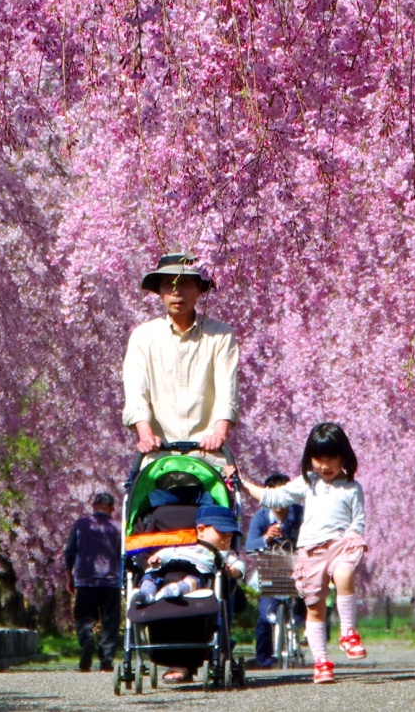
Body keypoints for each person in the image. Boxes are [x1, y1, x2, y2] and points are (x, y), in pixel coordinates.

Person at [229, 423, 368, 685]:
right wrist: (243, 483)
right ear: (310, 459)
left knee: (344, 572)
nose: (325, 465)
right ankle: (321, 662)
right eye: (319, 459)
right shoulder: (308, 483)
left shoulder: (352, 488)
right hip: (311, 552)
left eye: (331, 458)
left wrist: (351, 541)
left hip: (340, 545)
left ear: (344, 457)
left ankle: (348, 632)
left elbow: (357, 522)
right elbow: (275, 497)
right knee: (314, 609)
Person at [122, 253, 239, 459]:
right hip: (160, 456)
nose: (176, 291)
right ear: (160, 292)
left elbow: (226, 391)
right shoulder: (144, 337)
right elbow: (136, 392)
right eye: (169, 284)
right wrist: (145, 433)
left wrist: (218, 433)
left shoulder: (220, 335)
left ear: (198, 289)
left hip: (206, 455)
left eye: (184, 283)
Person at [133, 505, 246, 684]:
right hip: (167, 573)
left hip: (196, 578)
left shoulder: (223, 554)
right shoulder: (186, 546)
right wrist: (158, 558)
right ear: (200, 531)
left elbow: (240, 566)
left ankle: (180, 588)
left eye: (230, 536)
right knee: (150, 575)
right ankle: (146, 593)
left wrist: (233, 571)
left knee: (193, 578)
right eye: (222, 534)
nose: (226, 539)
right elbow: (169, 552)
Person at [244, 472, 302, 668]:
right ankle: (264, 659)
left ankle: (303, 631)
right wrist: (267, 538)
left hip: (298, 568)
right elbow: (249, 546)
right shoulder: (261, 517)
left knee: (309, 601)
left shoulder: (300, 514)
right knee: (265, 616)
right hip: (271, 570)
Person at [64, 491, 122, 673]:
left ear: (94, 506)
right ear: (112, 509)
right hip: (110, 581)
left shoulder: (81, 525)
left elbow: (70, 552)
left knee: (83, 616)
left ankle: (87, 639)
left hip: (85, 579)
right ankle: (106, 661)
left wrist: (69, 575)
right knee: (110, 622)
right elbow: (124, 555)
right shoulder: (118, 527)